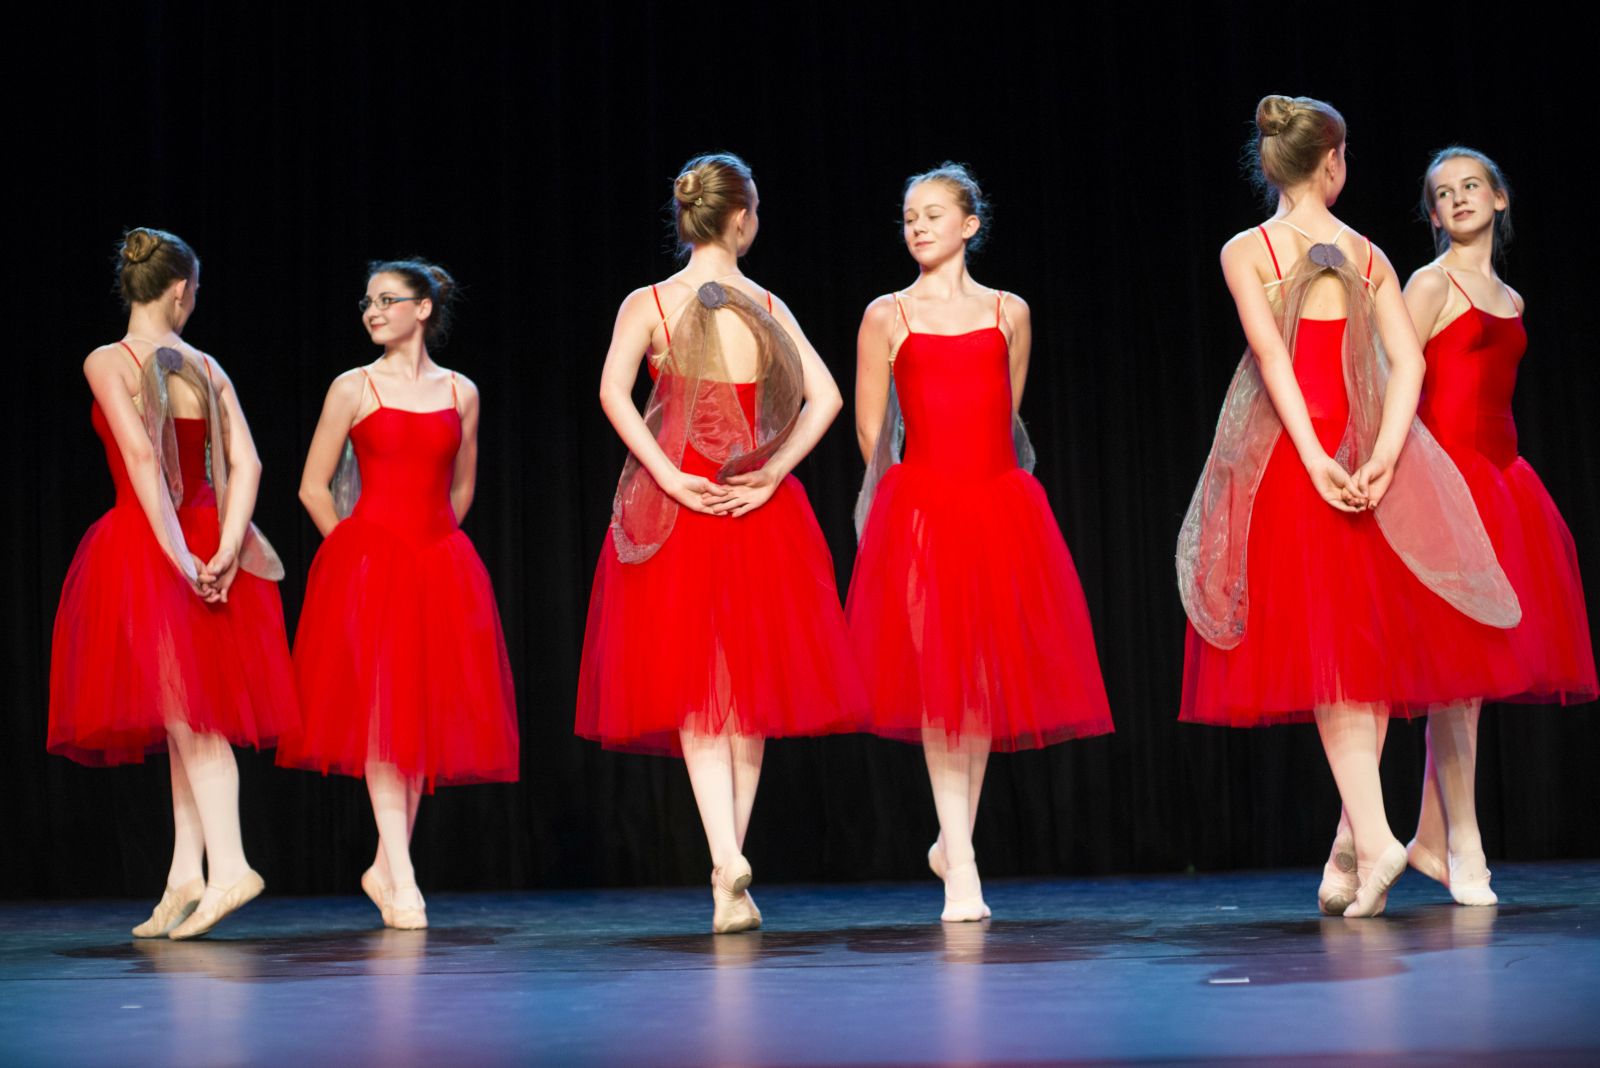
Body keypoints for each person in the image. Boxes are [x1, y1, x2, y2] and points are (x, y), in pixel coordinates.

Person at [1176, 98, 1528, 918]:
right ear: (1332, 162)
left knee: (1340, 658)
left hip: (1306, 456)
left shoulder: (1246, 248)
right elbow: (1405, 367)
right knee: (1356, 655)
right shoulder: (1369, 251)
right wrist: (1377, 454)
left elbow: (1273, 361)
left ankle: (1369, 841)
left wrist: (1317, 457)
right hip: (1361, 455)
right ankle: (1362, 841)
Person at [575, 153, 864, 934]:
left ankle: (723, 864)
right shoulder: (767, 302)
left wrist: (666, 473)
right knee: (747, 697)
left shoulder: (650, 301)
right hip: (748, 504)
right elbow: (827, 396)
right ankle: (727, 867)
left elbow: (611, 390)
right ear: (743, 218)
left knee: (700, 695)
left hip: (683, 501)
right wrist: (771, 477)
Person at [848, 163, 1114, 923]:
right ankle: (961, 863)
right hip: (923, 509)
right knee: (940, 688)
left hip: (997, 506)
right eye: (909, 216)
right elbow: (874, 430)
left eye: (934, 213)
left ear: (970, 224)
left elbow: (1008, 411)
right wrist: (904, 506)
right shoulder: (887, 314)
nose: (919, 225)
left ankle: (952, 838)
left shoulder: (1009, 311)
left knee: (981, 689)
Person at [49, 227, 297, 939]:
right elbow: (247, 467)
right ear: (182, 289)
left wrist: (183, 561)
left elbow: (139, 459)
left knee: (194, 714)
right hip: (212, 542)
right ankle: (184, 874)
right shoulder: (209, 365)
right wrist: (220, 549)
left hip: (151, 543)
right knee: (183, 713)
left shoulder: (108, 359)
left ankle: (232, 866)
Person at [279, 258, 519, 931]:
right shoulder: (352, 387)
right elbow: (312, 485)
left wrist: (434, 544)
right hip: (370, 567)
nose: (372, 312)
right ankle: (403, 878)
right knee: (385, 720)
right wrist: (352, 551)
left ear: (423, 309)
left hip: (438, 565)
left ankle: (388, 864)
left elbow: (462, 485)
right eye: (367, 302)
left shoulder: (460, 392)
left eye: (387, 300)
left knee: (417, 721)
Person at [1390, 148, 1596, 905]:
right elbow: (1394, 382)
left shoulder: (1509, 298)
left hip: (1504, 485)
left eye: (1472, 186)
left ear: (1500, 199)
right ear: (1434, 215)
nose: (1460, 199)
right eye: (1444, 194)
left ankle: (1432, 841)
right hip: (1446, 486)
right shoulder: (1430, 283)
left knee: (1464, 680)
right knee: (1457, 680)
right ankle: (1461, 841)